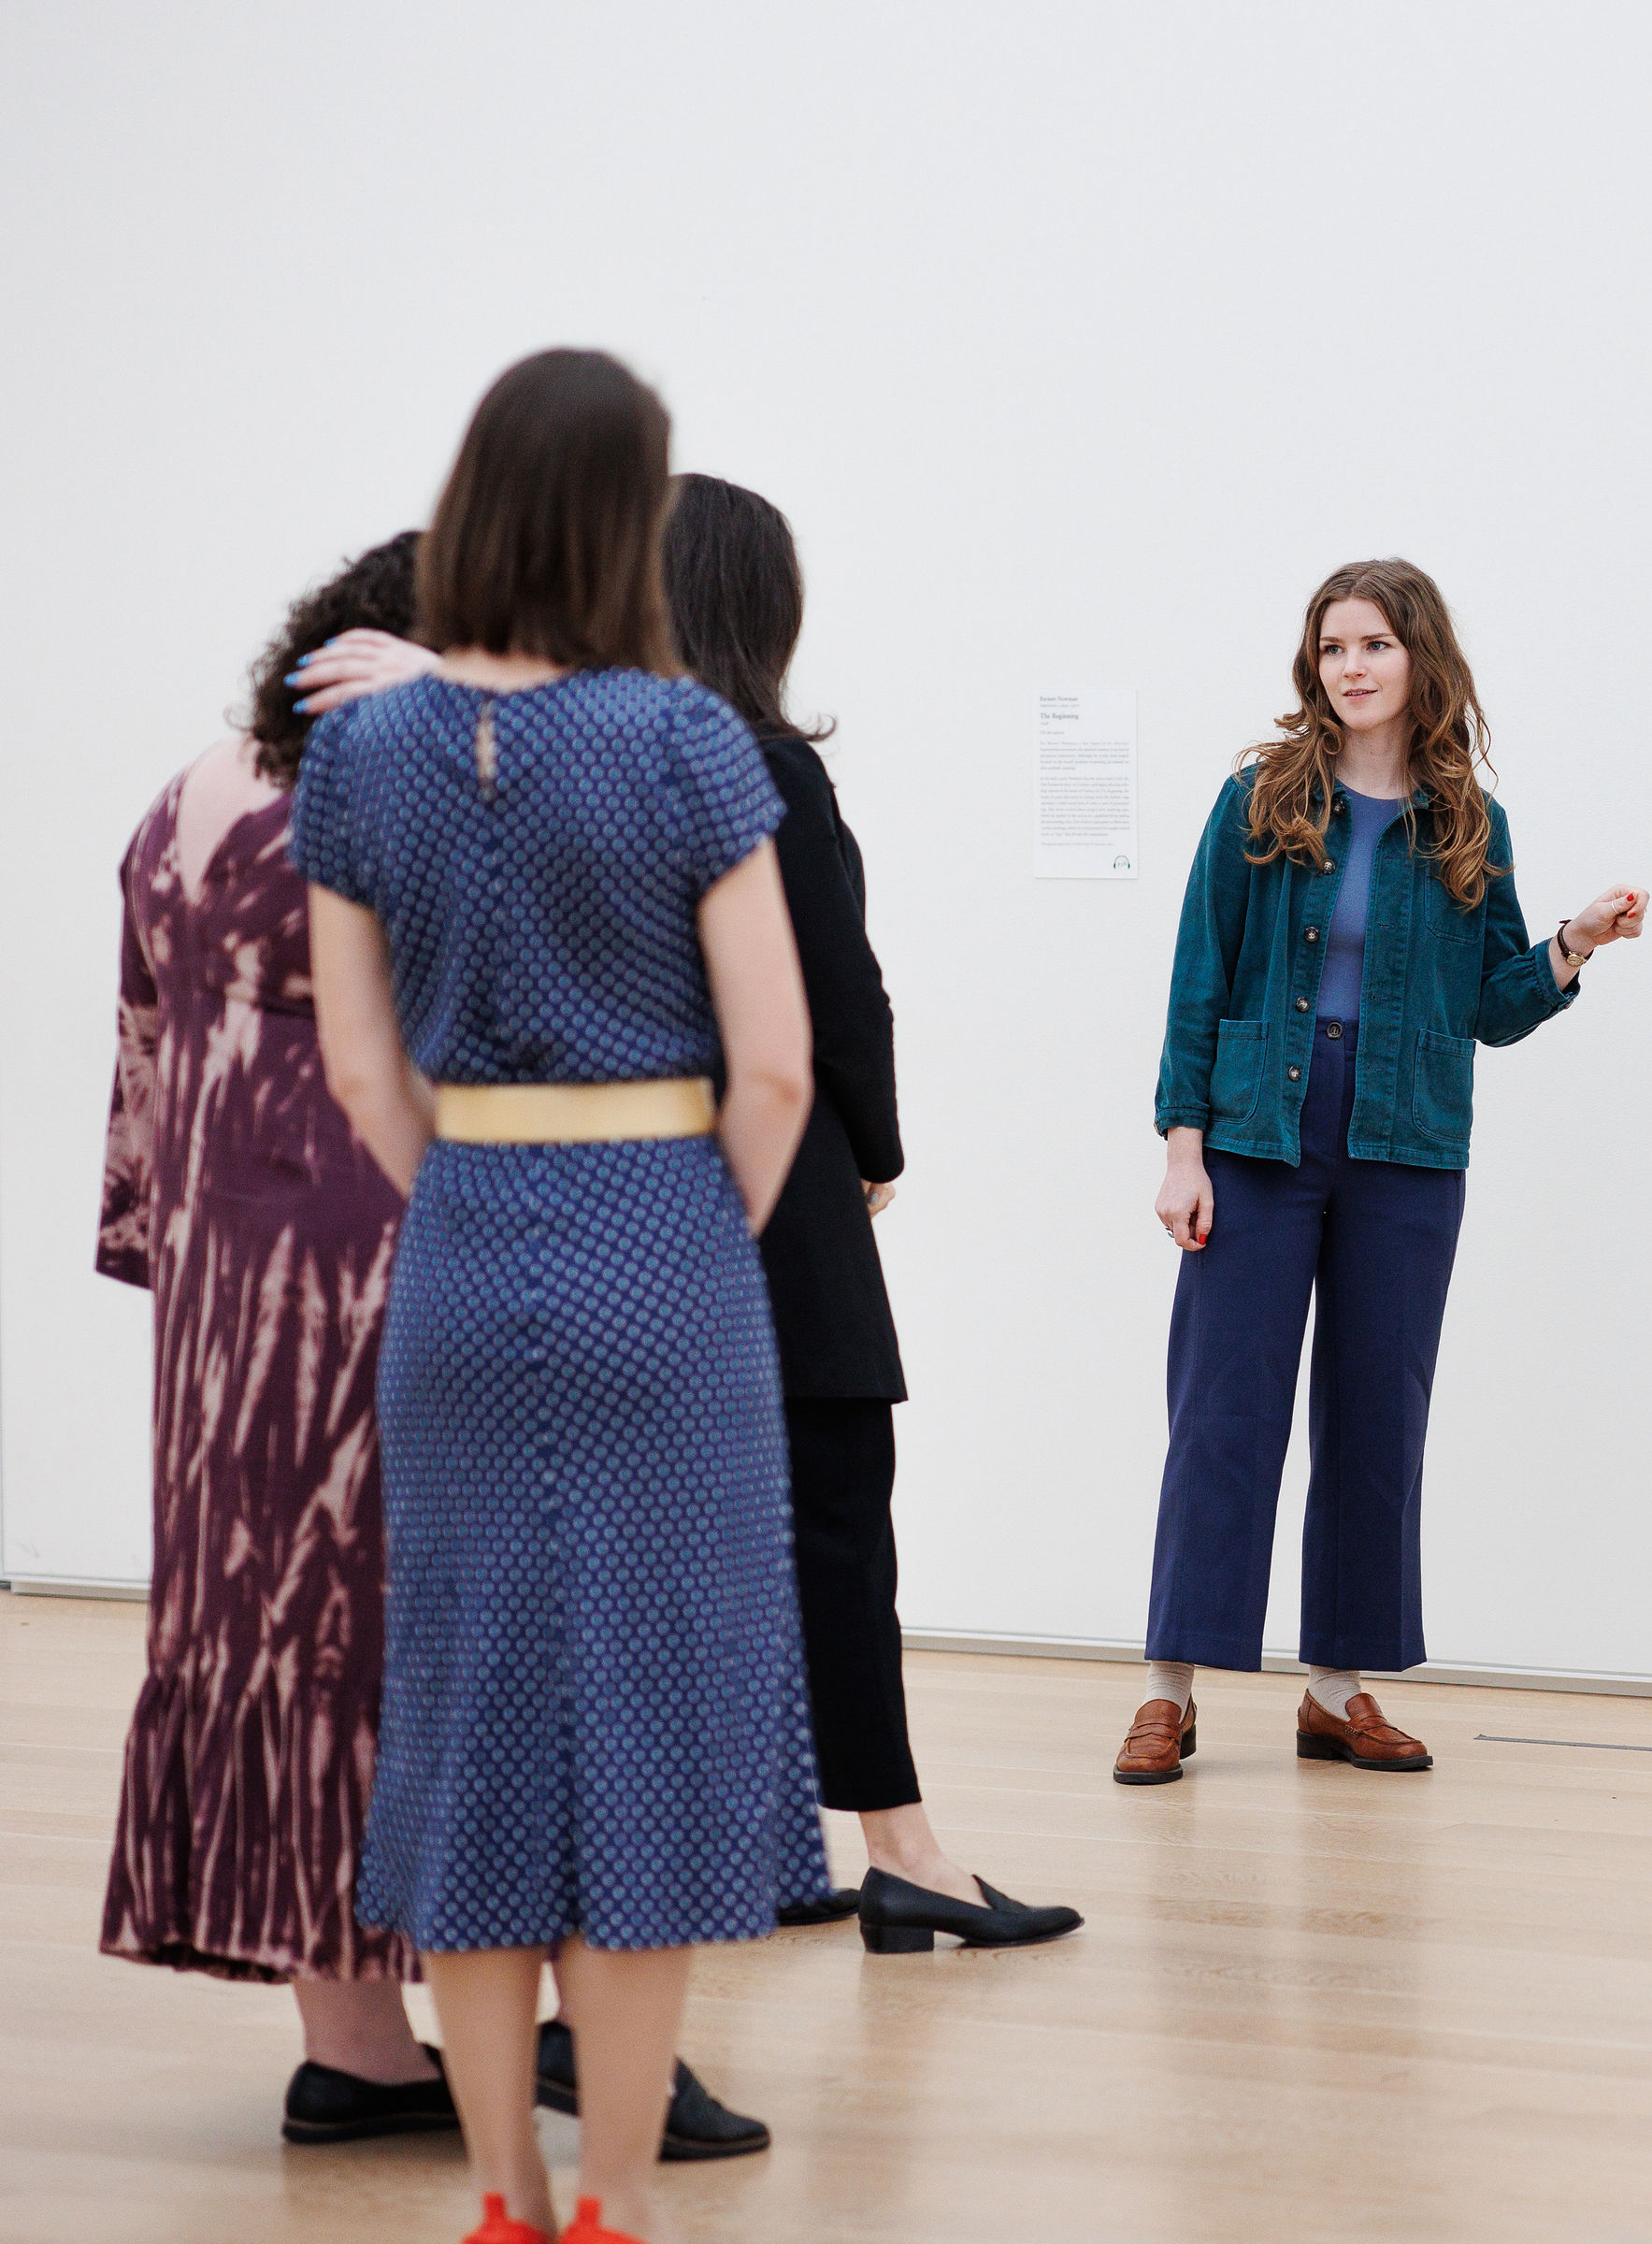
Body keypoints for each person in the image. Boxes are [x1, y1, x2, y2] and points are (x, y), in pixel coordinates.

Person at [297, 348, 827, 2244]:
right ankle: (613, 2189)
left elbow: (363, 1074)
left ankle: (502, 2195)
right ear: (627, 519)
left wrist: (479, 1195)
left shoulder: (361, 753)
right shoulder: (686, 740)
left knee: (471, 1709)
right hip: (664, 1245)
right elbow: (776, 1066)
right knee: (655, 1717)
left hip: (460, 1254)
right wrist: (691, 1224)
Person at [1120, 558, 1647, 1784]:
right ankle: (1169, 1689)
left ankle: (1337, 1689)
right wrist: (1181, 1147)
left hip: (1406, 1150)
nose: (1351, 665)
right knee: (1222, 1417)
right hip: (1258, 1139)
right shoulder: (1259, 800)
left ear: (1420, 659)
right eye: (1332, 646)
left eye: (1374, 644)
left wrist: (1570, 943)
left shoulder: (1468, 821)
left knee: (1376, 1422)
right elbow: (1201, 978)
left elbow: (1491, 1008)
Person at [663, 472, 1080, 1953]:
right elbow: (839, 990)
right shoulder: (764, 766)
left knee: (701, 1536)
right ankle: (903, 1852)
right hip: (782, 1193)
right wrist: (879, 1145)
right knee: (839, 1512)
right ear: (755, 602)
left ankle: (762, 1848)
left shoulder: (601, 770)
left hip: (639, 1182)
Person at [95, 534, 459, 2146]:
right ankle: (529, 2029)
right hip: (373, 1264)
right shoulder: (424, 794)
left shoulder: (194, 784)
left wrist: (154, 1244)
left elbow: (143, 1042)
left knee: (269, 1632)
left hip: (221, 1289)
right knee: (403, 1629)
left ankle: (355, 2051)